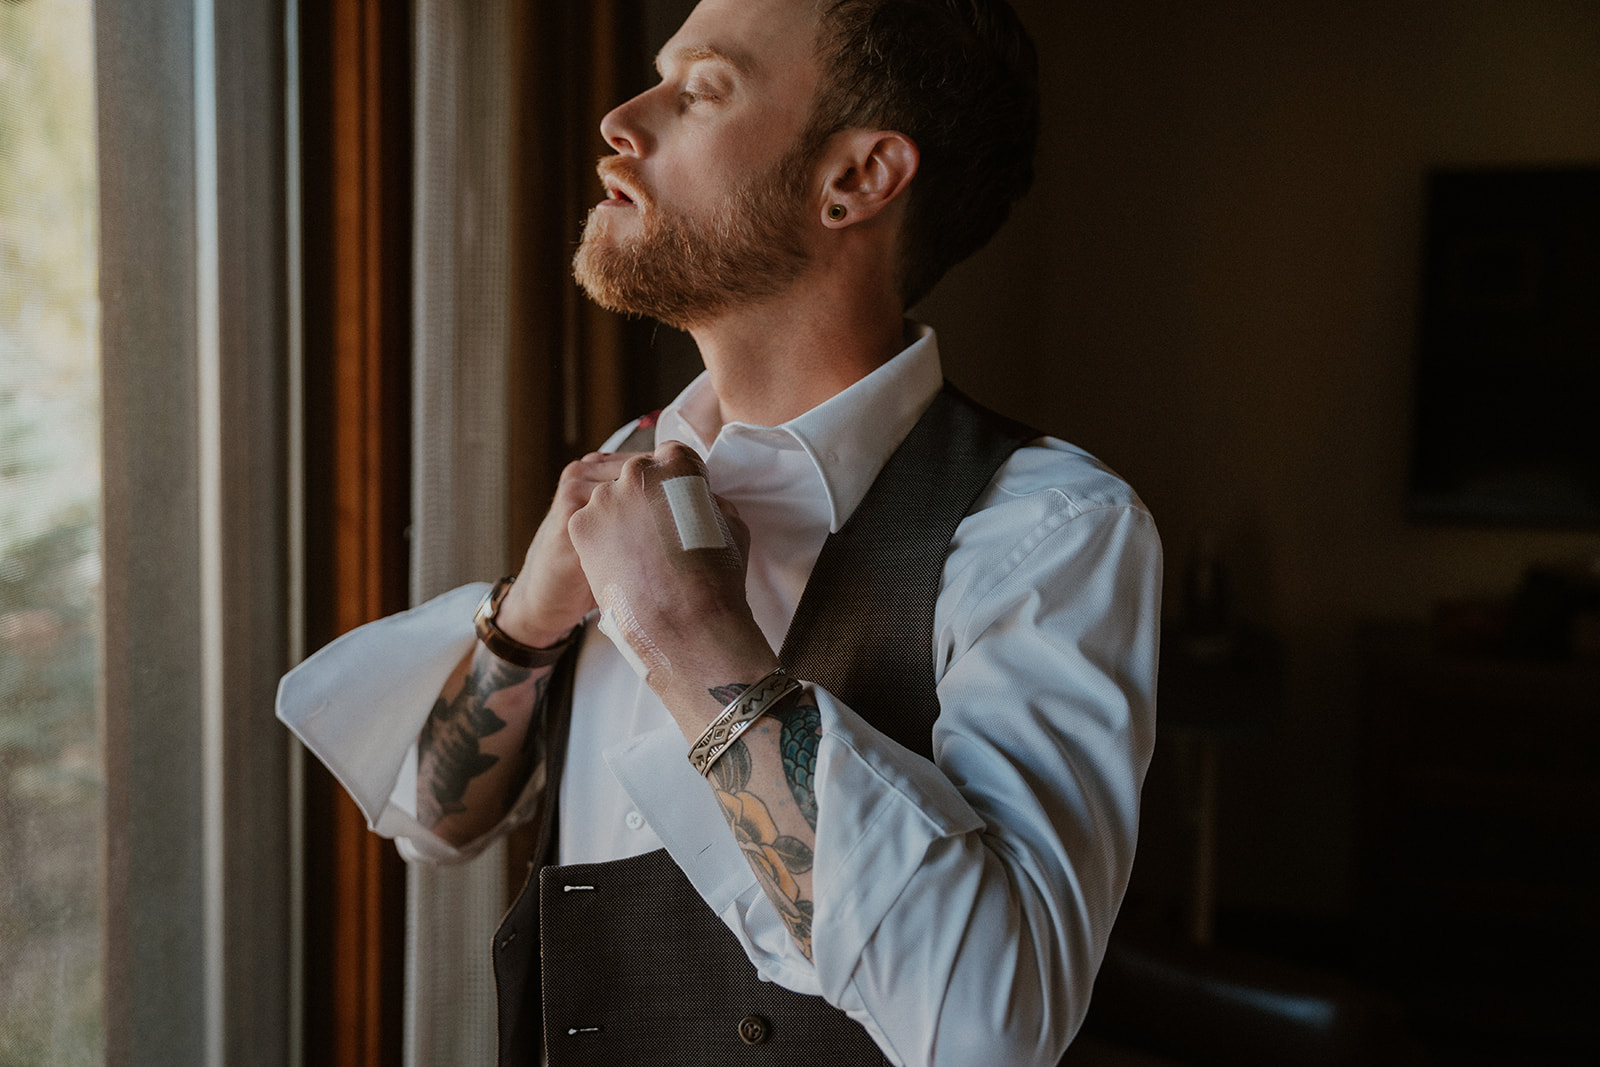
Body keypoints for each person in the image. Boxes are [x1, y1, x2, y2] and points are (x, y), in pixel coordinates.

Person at [278, 0, 1161, 1063]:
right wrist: (527, 616)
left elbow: (990, 1025)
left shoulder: (1050, 532)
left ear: (858, 177)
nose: (619, 117)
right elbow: (431, 818)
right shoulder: (629, 470)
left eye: (698, 89)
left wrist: (688, 635)